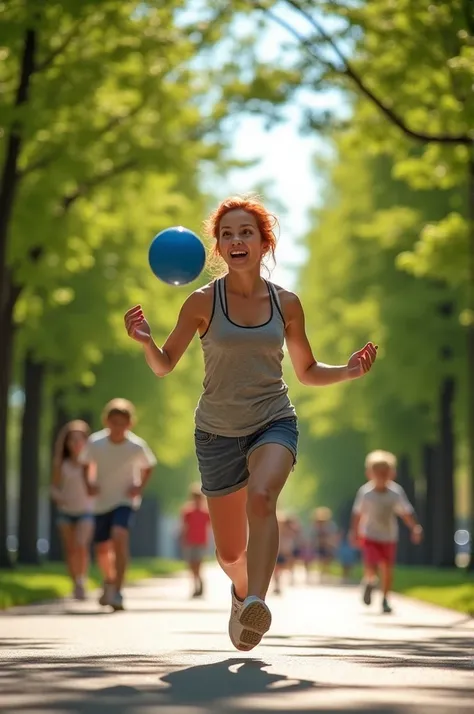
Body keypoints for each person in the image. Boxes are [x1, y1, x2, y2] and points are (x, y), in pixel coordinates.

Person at [124, 194, 378, 650]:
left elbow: (306, 371)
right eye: (227, 234)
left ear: (265, 243)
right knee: (228, 552)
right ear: (217, 248)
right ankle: (242, 593)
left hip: (272, 421)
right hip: (216, 432)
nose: (236, 240)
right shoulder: (201, 303)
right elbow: (164, 364)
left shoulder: (288, 303)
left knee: (263, 498)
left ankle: (258, 599)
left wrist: (350, 370)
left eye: (246, 233)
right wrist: (146, 342)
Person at [79, 398, 157, 611]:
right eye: (114, 422)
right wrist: (89, 484)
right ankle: (109, 581)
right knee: (102, 547)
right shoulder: (95, 443)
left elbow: (149, 466)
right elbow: (85, 463)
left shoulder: (136, 446)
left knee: (119, 536)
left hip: (125, 500)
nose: (118, 426)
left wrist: (139, 487)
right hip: (101, 501)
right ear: (107, 421)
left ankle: (119, 590)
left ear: (129, 423)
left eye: (122, 422)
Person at [349, 449, 423, 614]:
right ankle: (369, 581)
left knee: (388, 569)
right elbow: (357, 513)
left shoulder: (395, 492)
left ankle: (385, 599)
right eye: (378, 472)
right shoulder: (366, 493)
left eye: (385, 472)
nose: (381, 476)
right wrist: (354, 532)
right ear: (370, 473)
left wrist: (414, 527)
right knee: (371, 564)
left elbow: (405, 512)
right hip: (369, 535)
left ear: (392, 473)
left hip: (389, 536)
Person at [51, 420, 94, 600]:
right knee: (70, 549)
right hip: (66, 511)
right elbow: (53, 486)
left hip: (86, 510)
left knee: (81, 545)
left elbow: (97, 485)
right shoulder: (62, 463)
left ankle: (82, 580)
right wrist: (58, 497)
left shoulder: (91, 462)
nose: (76, 443)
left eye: (80, 439)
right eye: (72, 439)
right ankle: (75, 582)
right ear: (66, 442)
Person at [180, 482, 211, 598]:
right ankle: (196, 583)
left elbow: (212, 526)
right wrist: (183, 539)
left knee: (198, 564)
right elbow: (184, 527)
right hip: (190, 541)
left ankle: (199, 585)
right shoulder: (187, 512)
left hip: (201, 542)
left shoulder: (205, 513)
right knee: (191, 565)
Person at [310, 506, 338, 582]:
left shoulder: (330, 525)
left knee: (327, 559)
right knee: (321, 559)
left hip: (328, 545)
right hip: (319, 545)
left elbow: (333, 535)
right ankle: (322, 573)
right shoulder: (315, 526)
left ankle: (325, 573)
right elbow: (313, 535)